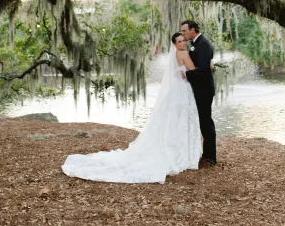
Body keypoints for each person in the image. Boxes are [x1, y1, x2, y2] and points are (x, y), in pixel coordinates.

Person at [61, 33, 202, 184]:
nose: (182, 43)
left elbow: (180, 72)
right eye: (179, 42)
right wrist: (208, 66)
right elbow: (192, 70)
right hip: (182, 91)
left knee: (172, 120)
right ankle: (182, 152)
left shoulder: (174, 55)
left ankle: (177, 148)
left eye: (183, 41)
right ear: (175, 44)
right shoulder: (184, 53)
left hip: (174, 91)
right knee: (180, 119)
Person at [181, 20, 216, 165]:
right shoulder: (197, 44)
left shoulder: (202, 44)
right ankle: (206, 155)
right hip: (200, 89)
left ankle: (210, 158)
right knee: (203, 122)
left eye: (184, 31)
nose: (183, 34)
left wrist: (187, 75)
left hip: (204, 90)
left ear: (193, 30)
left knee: (206, 123)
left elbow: (203, 69)